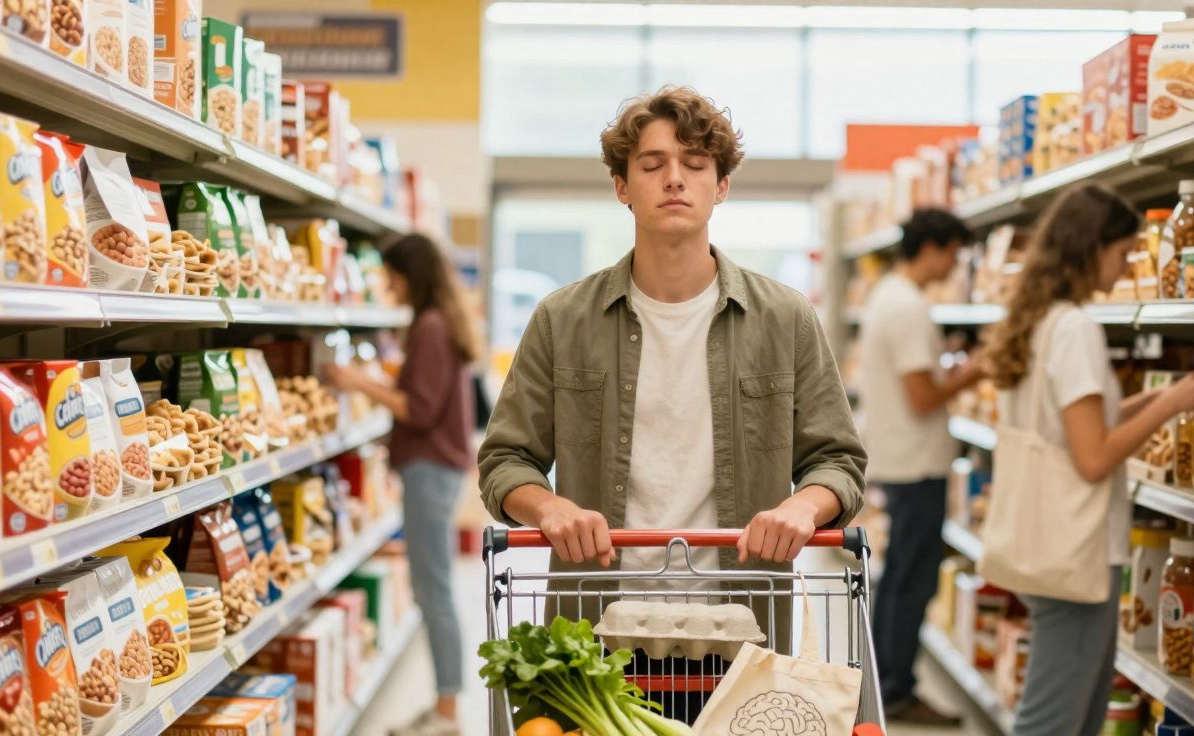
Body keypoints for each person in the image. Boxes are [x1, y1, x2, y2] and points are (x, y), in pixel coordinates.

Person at [478, 86, 867, 716]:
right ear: (622, 187)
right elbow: (505, 461)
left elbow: (838, 462)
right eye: (652, 165)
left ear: (721, 186)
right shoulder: (562, 318)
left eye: (694, 164)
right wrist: (549, 507)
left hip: (741, 625)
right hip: (595, 633)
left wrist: (803, 507)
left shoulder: (785, 317)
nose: (674, 180)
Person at [983, 183, 1194, 735]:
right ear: (1091, 248)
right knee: (1053, 723)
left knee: (1076, 716)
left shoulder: (1040, 321)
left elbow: (1072, 422)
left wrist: (1152, 397)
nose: (1125, 267)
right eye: (1122, 253)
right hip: (1073, 558)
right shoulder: (1075, 329)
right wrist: (1170, 403)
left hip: (1043, 545)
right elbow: (1093, 456)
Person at [325, 233, 478, 736]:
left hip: (430, 470)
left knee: (432, 590)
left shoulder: (431, 326)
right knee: (432, 587)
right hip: (437, 468)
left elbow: (418, 408)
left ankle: (448, 713)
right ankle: (444, 706)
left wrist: (358, 382)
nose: (388, 286)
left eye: (391, 276)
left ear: (409, 275)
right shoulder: (439, 322)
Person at [862, 208, 981, 725]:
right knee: (913, 581)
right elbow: (922, 395)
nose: (953, 266)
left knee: (899, 578)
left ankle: (885, 680)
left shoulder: (888, 295)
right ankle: (898, 689)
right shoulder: (907, 307)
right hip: (915, 464)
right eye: (953, 254)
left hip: (899, 459)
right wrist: (976, 369)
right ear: (930, 248)